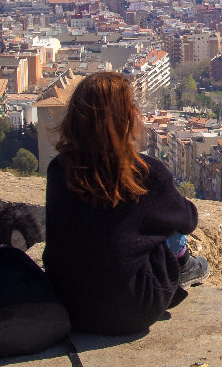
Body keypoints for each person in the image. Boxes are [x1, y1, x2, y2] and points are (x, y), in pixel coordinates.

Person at [43, 71, 208, 335]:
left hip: (69, 305)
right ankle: (186, 265)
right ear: (126, 118)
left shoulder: (59, 170)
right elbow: (187, 220)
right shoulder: (145, 172)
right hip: (132, 308)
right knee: (167, 225)